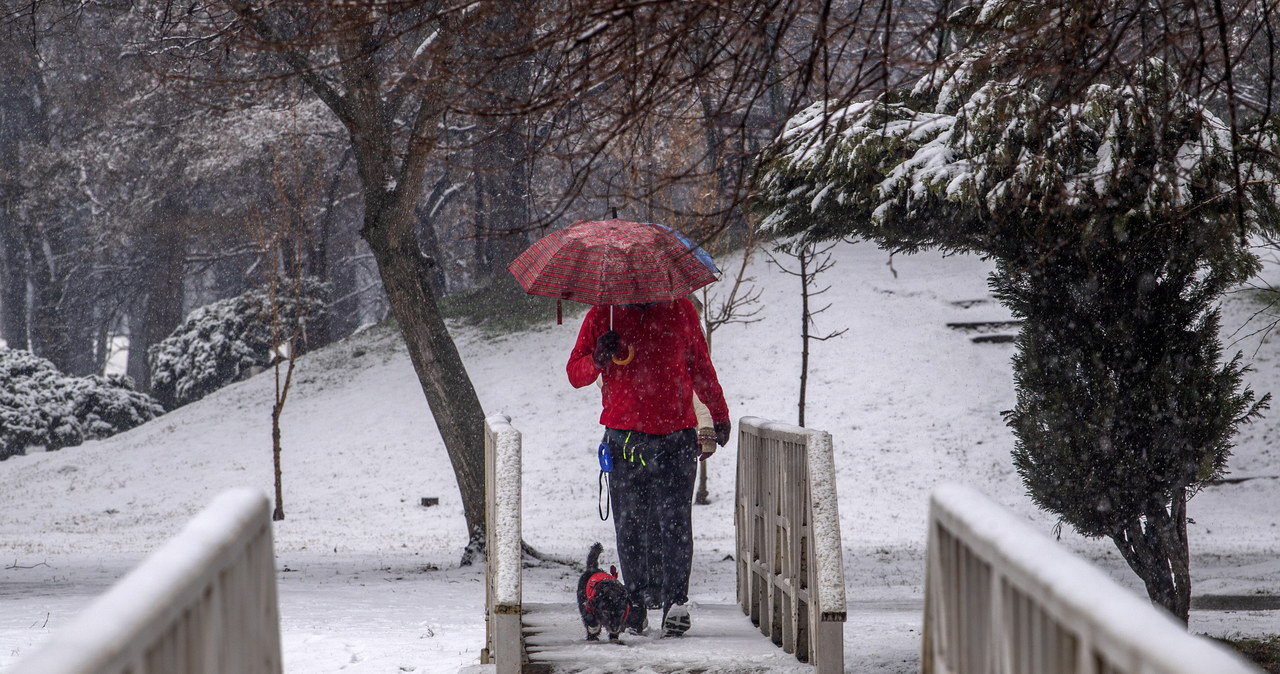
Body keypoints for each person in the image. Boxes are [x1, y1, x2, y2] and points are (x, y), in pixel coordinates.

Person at [567, 298, 731, 638]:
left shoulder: (681, 309)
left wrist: (718, 413)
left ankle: (676, 604)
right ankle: (636, 604)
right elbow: (575, 373)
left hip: (676, 437)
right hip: (625, 440)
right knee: (630, 525)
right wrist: (598, 357)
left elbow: (700, 365)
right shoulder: (603, 314)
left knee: (676, 524)